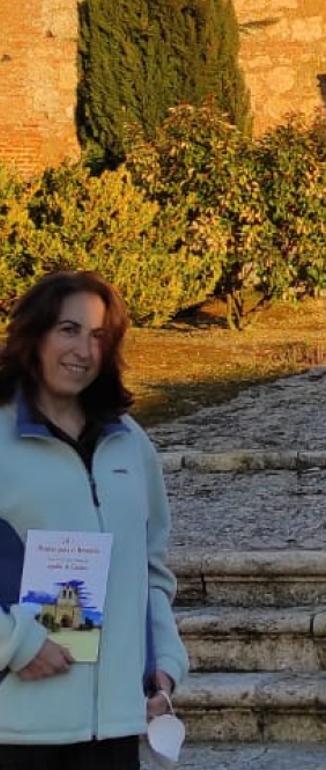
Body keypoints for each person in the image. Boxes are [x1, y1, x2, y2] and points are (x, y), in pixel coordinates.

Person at [0, 271, 189, 769]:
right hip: (15, 729)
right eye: (68, 329)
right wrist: (15, 643)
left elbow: (151, 570)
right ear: (34, 334)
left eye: (99, 336)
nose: (83, 349)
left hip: (115, 728)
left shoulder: (129, 442)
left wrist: (164, 665)